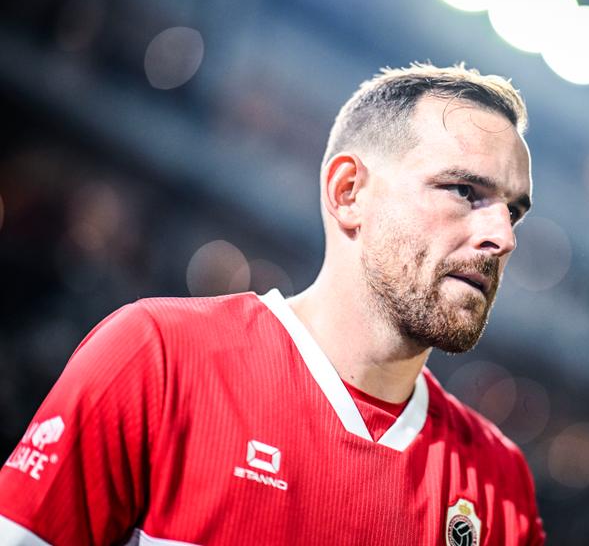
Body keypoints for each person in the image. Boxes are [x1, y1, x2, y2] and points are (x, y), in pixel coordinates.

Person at [0, 63, 545, 545]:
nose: (503, 236)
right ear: (349, 191)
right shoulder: (159, 357)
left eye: (513, 211)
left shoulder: (500, 485)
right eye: (464, 191)